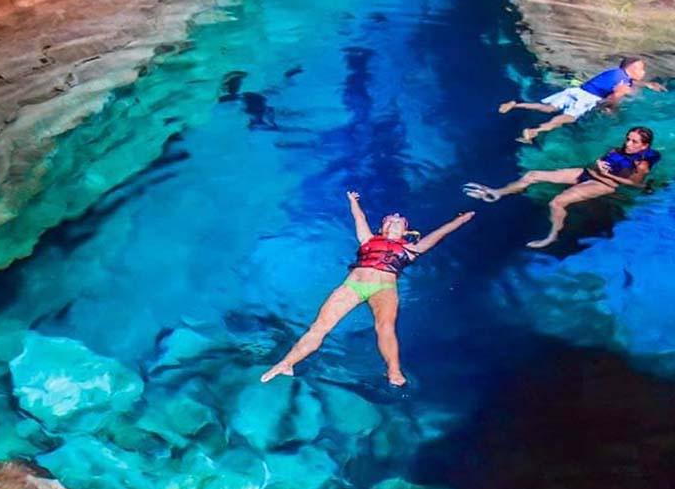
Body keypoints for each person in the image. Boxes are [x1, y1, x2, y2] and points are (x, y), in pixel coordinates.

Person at [260, 192, 475, 386]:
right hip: (353, 285)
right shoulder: (368, 239)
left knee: (385, 328)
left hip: (384, 289)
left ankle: (393, 371)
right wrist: (353, 201)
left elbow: (439, 234)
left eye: (398, 221)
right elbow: (359, 219)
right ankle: (286, 363)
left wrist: (460, 220)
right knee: (320, 326)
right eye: (389, 220)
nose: (394, 220)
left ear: (406, 231)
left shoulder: (412, 249)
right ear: (381, 228)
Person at [463, 126, 660, 248]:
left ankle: (552, 236)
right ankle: (498, 192)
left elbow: (634, 183)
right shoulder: (618, 149)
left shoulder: (641, 163)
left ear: (644, 146)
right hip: (587, 172)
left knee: (557, 202)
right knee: (533, 175)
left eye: (634, 141)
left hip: (603, 184)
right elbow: (599, 161)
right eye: (628, 138)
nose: (628, 143)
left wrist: (606, 174)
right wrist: (597, 164)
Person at [499, 58, 666, 143]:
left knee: (547, 108)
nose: (644, 72)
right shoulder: (623, 83)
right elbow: (612, 98)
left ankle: (515, 104)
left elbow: (628, 82)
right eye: (643, 69)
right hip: (588, 99)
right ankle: (534, 132)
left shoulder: (616, 72)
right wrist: (612, 109)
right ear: (633, 68)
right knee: (567, 118)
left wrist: (647, 84)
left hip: (577, 91)